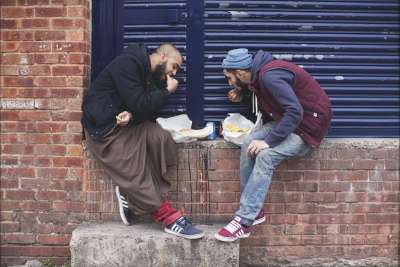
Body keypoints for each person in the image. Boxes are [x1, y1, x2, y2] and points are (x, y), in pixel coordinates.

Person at [81, 43, 204, 239]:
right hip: (105, 130)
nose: (174, 73)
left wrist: (131, 113)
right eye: (174, 66)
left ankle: (131, 195)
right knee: (135, 171)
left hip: (128, 125)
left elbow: (143, 109)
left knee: (161, 139)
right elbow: (141, 104)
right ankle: (168, 217)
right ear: (163, 56)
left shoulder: (152, 76)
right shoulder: (129, 63)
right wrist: (166, 92)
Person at [215, 48, 332, 242]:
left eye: (230, 78)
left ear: (242, 73)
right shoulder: (259, 76)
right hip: (288, 122)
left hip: (307, 128)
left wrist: (268, 142)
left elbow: (294, 111)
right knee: (248, 143)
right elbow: (274, 102)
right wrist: (242, 94)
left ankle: (244, 221)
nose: (229, 83)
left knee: (265, 156)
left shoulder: (269, 77)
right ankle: (255, 210)